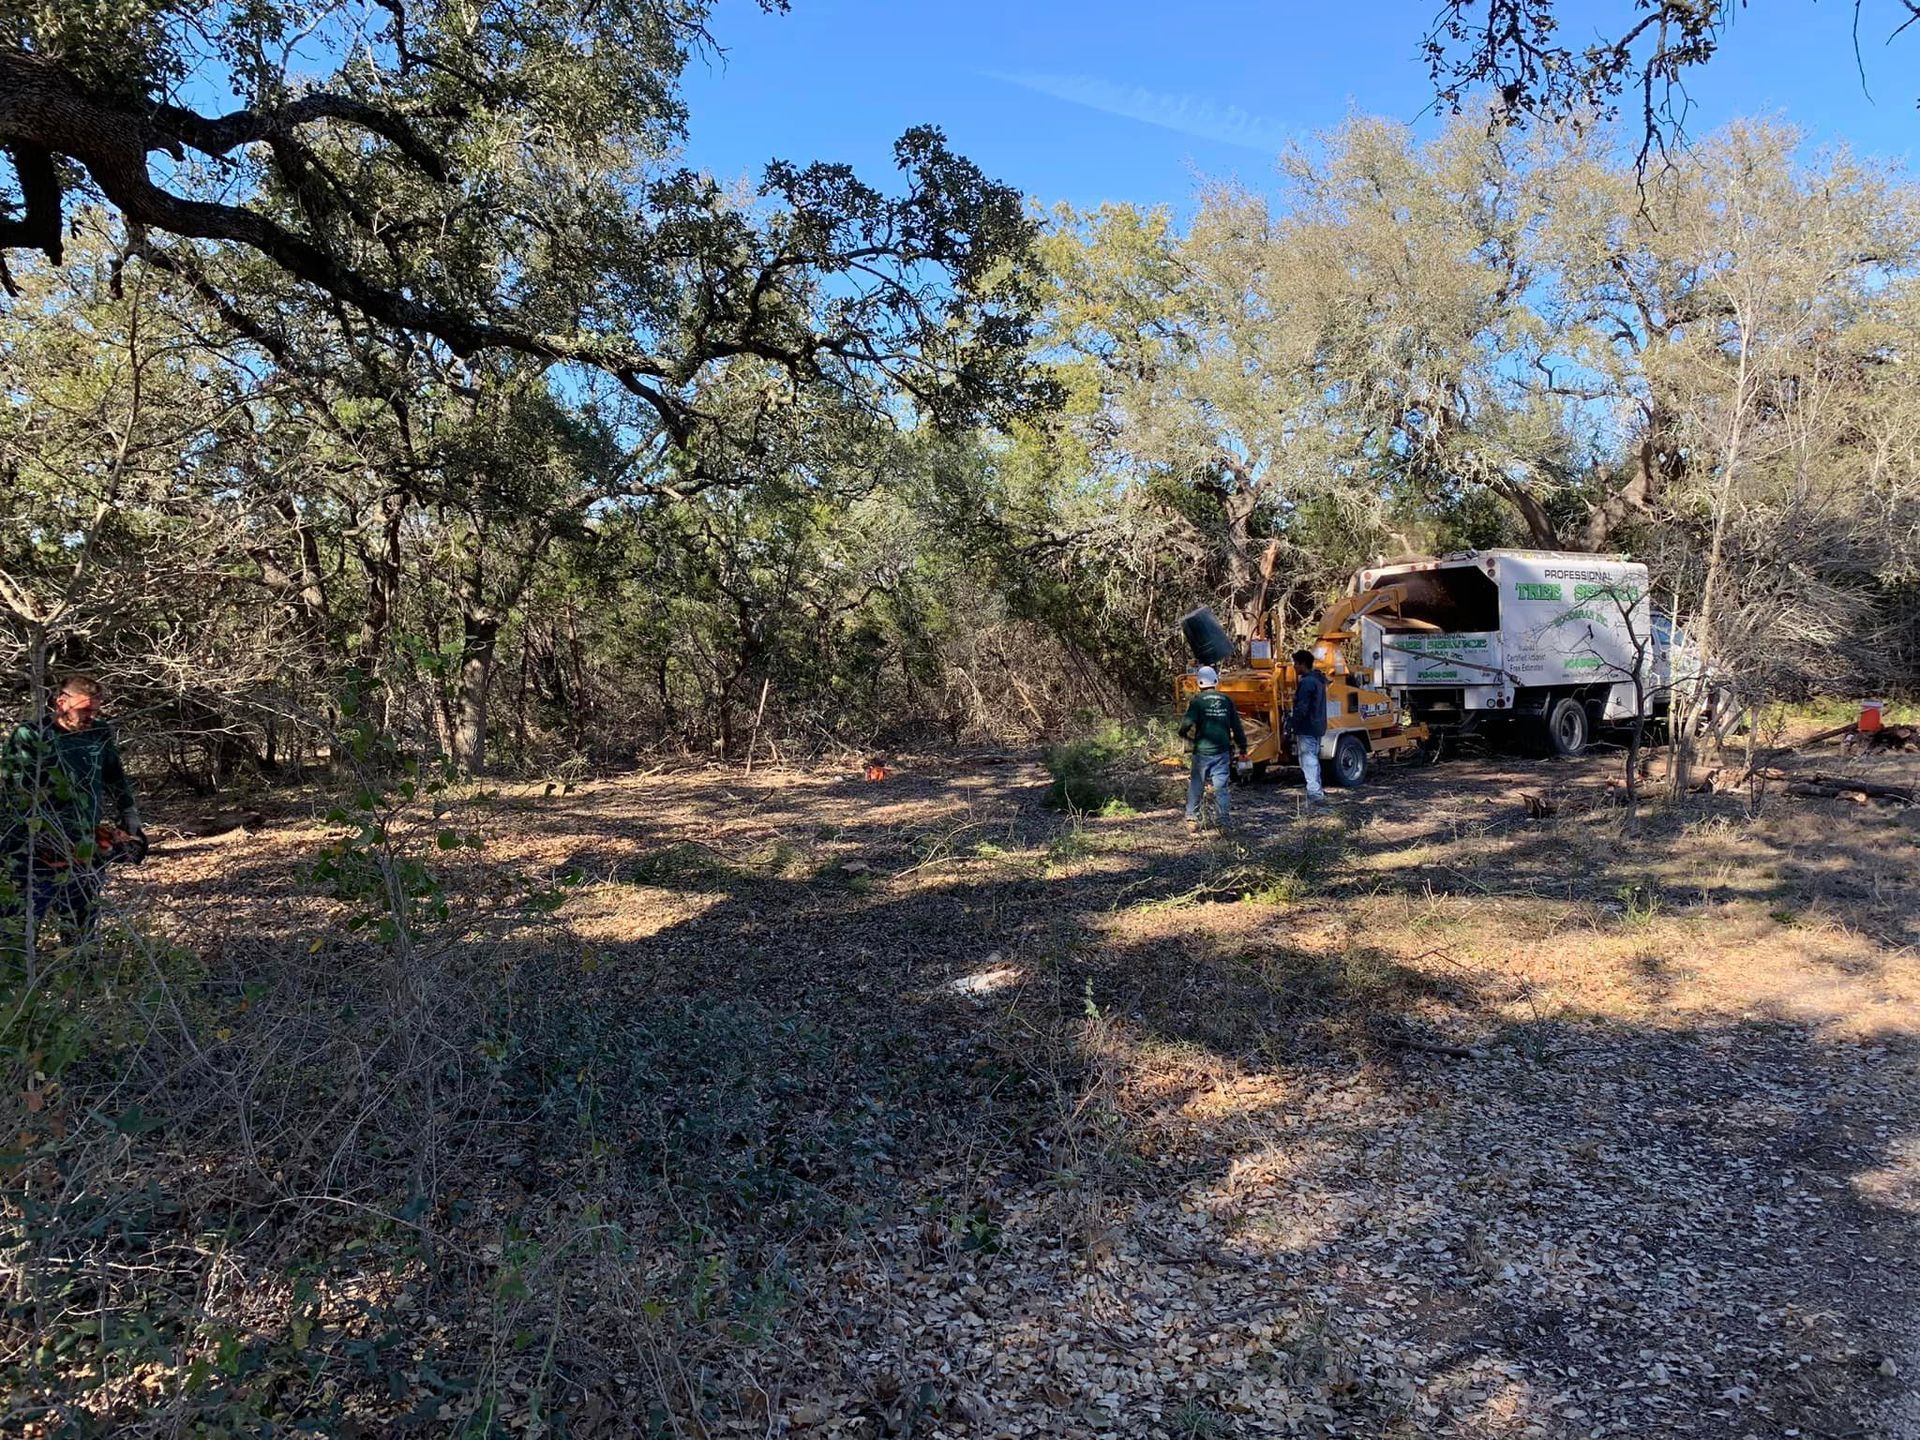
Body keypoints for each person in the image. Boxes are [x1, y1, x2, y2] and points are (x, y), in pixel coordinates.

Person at [2, 674, 145, 946]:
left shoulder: (99, 732)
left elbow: (114, 775)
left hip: (84, 850)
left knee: (82, 930)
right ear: (61, 703)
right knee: (19, 931)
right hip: (34, 852)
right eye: (84, 710)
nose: (90, 716)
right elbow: (14, 795)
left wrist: (129, 815)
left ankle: (84, 980)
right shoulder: (30, 736)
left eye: (95, 710)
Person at [1178, 666, 1248, 831]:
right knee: (1221, 788)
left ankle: (1192, 820)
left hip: (1201, 752)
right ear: (1216, 681)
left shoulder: (1197, 701)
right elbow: (1237, 727)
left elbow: (1186, 724)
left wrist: (1183, 734)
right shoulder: (1226, 701)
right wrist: (1243, 747)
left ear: (1199, 683)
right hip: (1222, 753)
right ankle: (1223, 823)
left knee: (1197, 785)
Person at [1288, 649, 1330, 807]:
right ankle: (1317, 790)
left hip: (1307, 726)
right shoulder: (1318, 679)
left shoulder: (1306, 682)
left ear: (1301, 664)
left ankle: (1314, 795)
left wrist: (1292, 723)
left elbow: (1302, 708)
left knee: (1308, 760)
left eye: (1295, 663)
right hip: (1318, 725)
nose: (1294, 667)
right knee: (1313, 759)